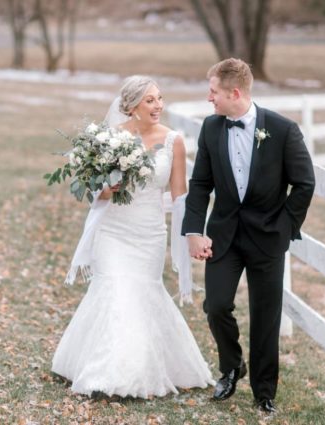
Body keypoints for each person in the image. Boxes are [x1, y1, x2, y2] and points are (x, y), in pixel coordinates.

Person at [51, 75, 214, 398]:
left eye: (160, 99)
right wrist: (107, 190)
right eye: (150, 100)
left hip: (149, 233)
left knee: (140, 292)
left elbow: (179, 196)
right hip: (113, 230)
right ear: (131, 106)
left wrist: (193, 234)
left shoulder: (173, 141)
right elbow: (95, 194)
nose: (158, 106)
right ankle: (105, 371)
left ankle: (137, 367)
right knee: (115, 288)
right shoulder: (109, 139)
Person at [182, 58, 315, 414]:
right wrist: (194, 230)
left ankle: (264, 390)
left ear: (234, 92)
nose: (209, 99)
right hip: (223, 235)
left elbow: (304, 183)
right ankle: (231, 366)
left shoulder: (283, 130)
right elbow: (200, 184)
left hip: (268, 237)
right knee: (216, 305)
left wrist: (284, 227)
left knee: (266, 314)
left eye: (213, 92)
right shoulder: (211, 128)